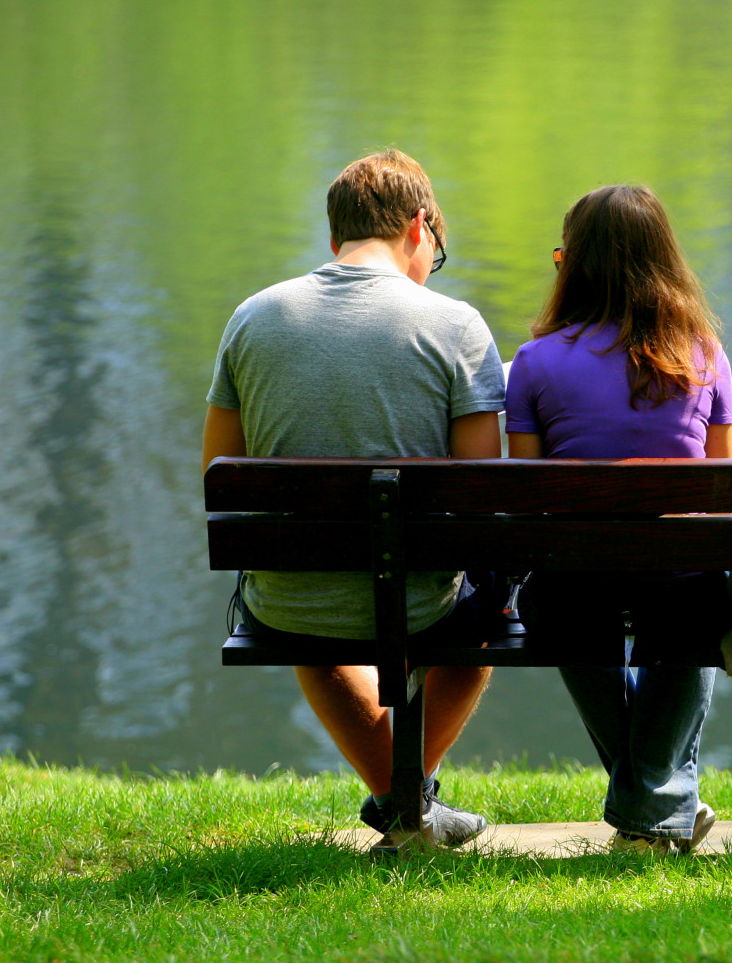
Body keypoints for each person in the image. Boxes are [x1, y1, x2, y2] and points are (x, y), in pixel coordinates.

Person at [203, 150, 506, 846]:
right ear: (419, 226)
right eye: (439, 247)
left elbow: (217, 471)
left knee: (313, 613)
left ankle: (407, 807)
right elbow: (481, 495)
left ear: (336, 239)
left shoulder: (252, 318)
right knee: (489, 610)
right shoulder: (457, 326)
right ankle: (412, 801)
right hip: (421, 602)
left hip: (287, 597)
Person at [504, 184, 732, 855]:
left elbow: (528, 500)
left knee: (566, 609)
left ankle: (649, 815)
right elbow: (718, 492)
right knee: (690, 614)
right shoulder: (704, 352)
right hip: (684, 589)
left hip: (573, 591)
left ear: (572, 266)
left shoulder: (535, 362)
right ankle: (661, 808)